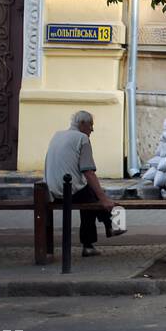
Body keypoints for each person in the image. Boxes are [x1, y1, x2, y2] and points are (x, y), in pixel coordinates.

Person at [44, 110, 125, 256]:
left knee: (89, 197)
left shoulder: (58, 135)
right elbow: (89, 172)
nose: (92, 129)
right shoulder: (82, 139)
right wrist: (104, 199)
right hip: (67, 191)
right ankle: (111, 225)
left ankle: (93, 242)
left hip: (50, 191)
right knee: (93, 195)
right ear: (82, 124)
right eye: (91, 125)